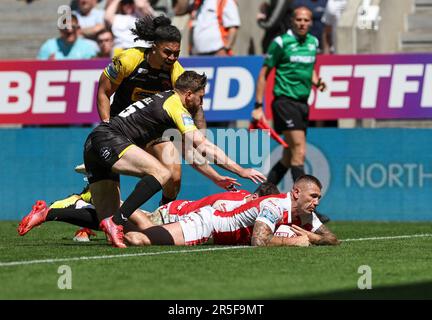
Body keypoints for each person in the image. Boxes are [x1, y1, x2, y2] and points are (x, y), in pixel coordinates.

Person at [18, 71, 266, 248]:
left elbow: (191, 151)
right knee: (162, 172)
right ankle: (118, 221)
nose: (201, 103)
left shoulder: (163, 105)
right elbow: (202, 144)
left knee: (109, 224)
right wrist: (240, 170)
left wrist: (217, 177)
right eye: (200, 97)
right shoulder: (176, 107)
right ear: (189, 94)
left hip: (94, 142)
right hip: (108, 140)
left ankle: (48, 213)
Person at [252, 6, 330, 223]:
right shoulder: (281, 43)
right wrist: (259, 105)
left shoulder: (313, 43)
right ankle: (306, 210)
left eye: (307, 20)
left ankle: (260, 196)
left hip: (303, 104)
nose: (303, 23)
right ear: (292, 21)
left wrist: (317, 81)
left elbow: (310, 69)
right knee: (299, 151)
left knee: (288, 157)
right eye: (299, 19)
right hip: (284, 102)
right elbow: (264, 74)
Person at [125, 175, 340, 246]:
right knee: (139, 239)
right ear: (295, 193)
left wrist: (312, 237)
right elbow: (258, 241)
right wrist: (293, 241)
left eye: (319, 197)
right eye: (313, 196)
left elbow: (332, 238)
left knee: (143, 232)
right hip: (207, 224)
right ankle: (109, 204)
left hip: (212, 229)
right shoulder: (274, 205)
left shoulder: (305, 213)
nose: (317, 202)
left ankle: (113, 218)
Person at [18, 182, 279, 241]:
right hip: (173, 217)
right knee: (122, 225)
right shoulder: (244, 201)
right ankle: (80, 199)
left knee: (118, 225)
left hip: (176, 212)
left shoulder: (244, 198)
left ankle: (87, 201)